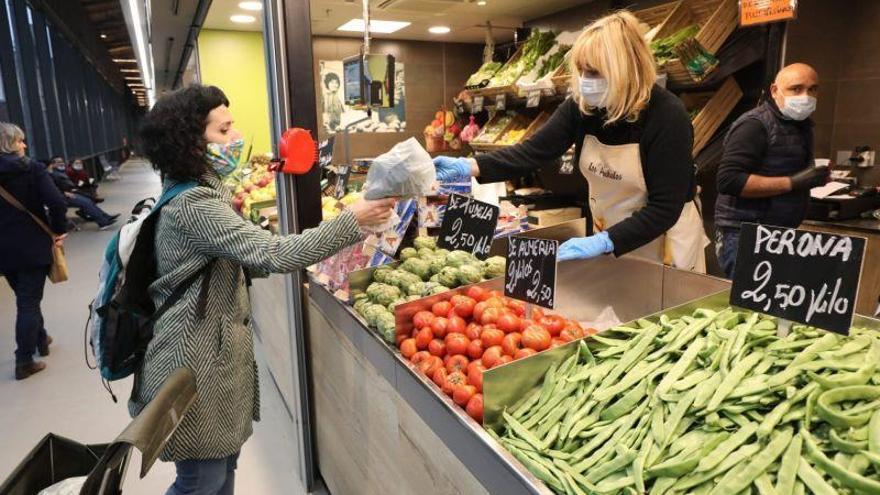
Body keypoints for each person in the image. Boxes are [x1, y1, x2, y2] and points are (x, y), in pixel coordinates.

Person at [132, 84, 395, 495]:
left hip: (211, 355)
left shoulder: (201, 193)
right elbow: (272, 254)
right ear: (189, 141)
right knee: (201, 480)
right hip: (192, 362)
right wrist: (351, 221)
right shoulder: (194, 206)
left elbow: (243, 260)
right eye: (223, 130)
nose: (235, 138)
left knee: (221, 468)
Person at [434, 12, 708, 271]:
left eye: (594, 72)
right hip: (609, 228)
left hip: (664, 240)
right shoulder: (583, 107)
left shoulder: (667, 116)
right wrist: (469, 166)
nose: (586, 81)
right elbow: (532, 152)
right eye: (582, 71)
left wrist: (604, 241)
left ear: (626, 71)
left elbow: (664, 208)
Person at [714, 63, 827, 277]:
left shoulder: (800, 125)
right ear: (775, 90)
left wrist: (811, 178)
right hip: (745, 234)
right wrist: (794, 182)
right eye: (796, 88)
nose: (806, 96)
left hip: (778, 233)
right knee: (746, 305)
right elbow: (729, 180)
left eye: (812, 89)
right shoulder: (755, 125)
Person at [0, 123, 67, 380]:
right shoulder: (31, 169)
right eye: (19, 141)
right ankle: (24, 360)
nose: (24, 146)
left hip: (3, 251)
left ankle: (41, 339)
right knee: (28, 302)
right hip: (31, 245)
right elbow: (57, 202)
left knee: (24, 296)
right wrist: (57, 230)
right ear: (9, 144)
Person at [46, 159, 119, 229]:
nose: (61, 163)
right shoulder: (48, 176)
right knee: (86, 202)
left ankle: (105, 217)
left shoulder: (55, 173)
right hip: (62, 197)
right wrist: (64, 192)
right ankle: (102, 222)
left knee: (88, 200)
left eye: (61, 161)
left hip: (67, 193)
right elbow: (52, 189)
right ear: (51, 165)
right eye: (57, 162)